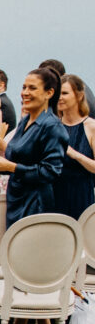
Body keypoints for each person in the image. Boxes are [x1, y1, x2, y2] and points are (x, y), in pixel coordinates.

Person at [0, 66, 67, 324]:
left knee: (26, 267)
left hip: (37, 203)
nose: (24, 93)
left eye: (32, 88)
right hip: (17, 199)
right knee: (18, 264)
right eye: (24, 87)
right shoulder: (28, 120)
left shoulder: (52, 127)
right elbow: (12, 157)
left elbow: (52, 170)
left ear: (49, 93)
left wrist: (12, 167)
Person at [53, 75, 95, 219]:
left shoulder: (91, 127)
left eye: (64, 93)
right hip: (54, 197)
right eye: (57, 93)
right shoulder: (52, 127)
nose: (59, 97)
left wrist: (75, 155)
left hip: (82, 197)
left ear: (79, 96)